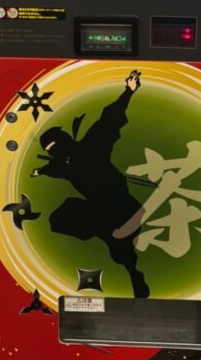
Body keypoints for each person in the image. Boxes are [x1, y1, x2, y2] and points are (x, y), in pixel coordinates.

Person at [32, 70, 150, 298]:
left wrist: (128, 92)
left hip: (121, 205)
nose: (54, 151)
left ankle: (135, 274)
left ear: (66, 139)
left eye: (55, 145)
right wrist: (41, 170)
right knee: (64, 218)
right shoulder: (66, 164)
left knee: (121, 246)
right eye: (49, 150)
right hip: (100, 211)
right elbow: (56, 169)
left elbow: (108, 120)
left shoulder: (91, 146)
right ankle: (132, 271)